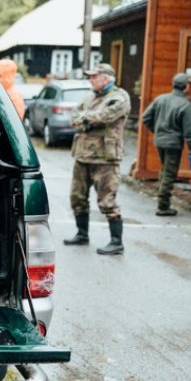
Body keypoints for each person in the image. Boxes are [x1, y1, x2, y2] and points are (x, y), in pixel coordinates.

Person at [63, 63, 131, 255]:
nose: (91, 80)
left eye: (95, 76)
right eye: (90, 77)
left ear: (107, 78)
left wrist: (85, 118)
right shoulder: (90, 96)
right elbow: (73, 118)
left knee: (107, 201)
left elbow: (105, 116)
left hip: (105, 158)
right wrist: (85, 118)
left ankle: (116, 242)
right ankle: (82, 234)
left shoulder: (119, 97)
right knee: (77, 197)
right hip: (83, 155)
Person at [141, 72, 191, 216]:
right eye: (189, 84)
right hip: (173, 143)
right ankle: (163, 206)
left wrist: (156, 130)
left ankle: (162, 199)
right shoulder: (185, 105)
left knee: (164, 169)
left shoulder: (160, 99)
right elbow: (189, 132)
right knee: (169, 173)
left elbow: (145, 117)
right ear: (186, 87)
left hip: (160, 141)